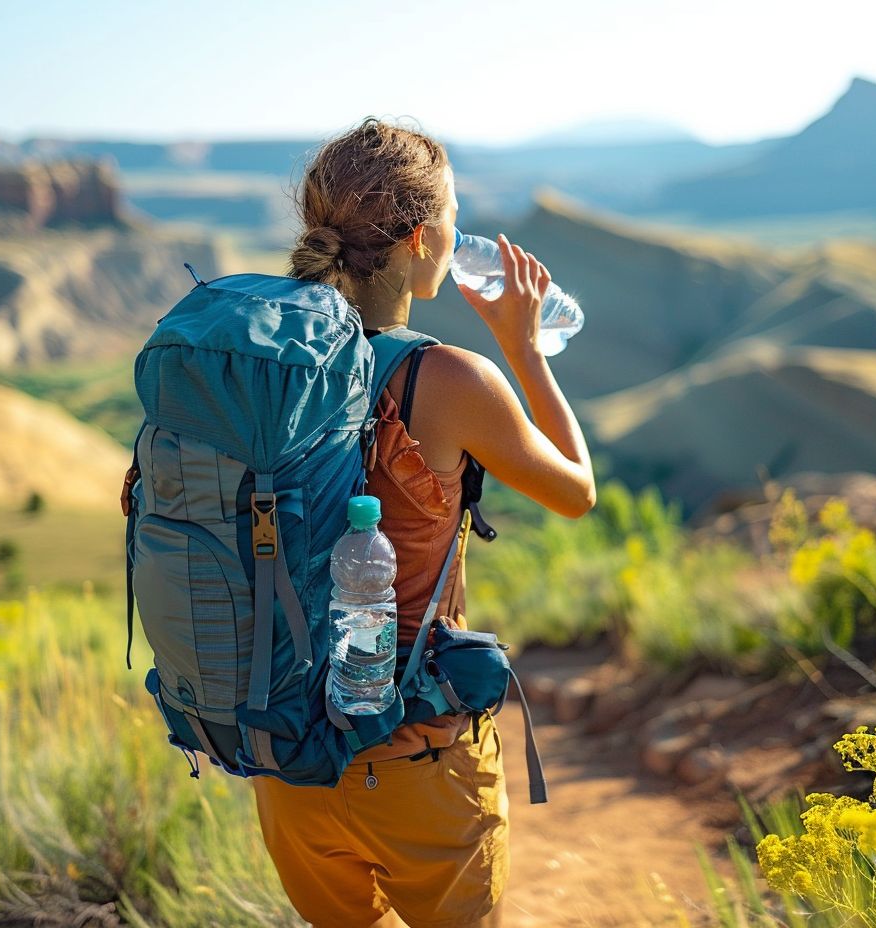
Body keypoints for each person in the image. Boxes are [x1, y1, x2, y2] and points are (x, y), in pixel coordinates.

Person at [249, 117, 596, 928]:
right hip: (418, 763)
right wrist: (526, 350)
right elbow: (576, 492)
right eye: (452, 217)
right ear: (419, 236)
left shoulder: (268, 362)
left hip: (290, 761)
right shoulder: (447, 378)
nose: (458, 235)